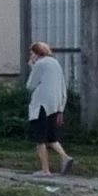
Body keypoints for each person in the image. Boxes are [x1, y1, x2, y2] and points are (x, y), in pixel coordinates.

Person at [23, 39, 73, 174]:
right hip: (55, 105)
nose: (31, 55)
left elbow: (30, 86)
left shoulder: (39, 64)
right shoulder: (55, 63)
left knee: (40, 139)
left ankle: (45, 170)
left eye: (32, 53)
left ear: (36, 53)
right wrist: (61, 107)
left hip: (41, 105)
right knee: (51, 137)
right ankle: (65, 157)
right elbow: (62, 85)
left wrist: (32, 67)